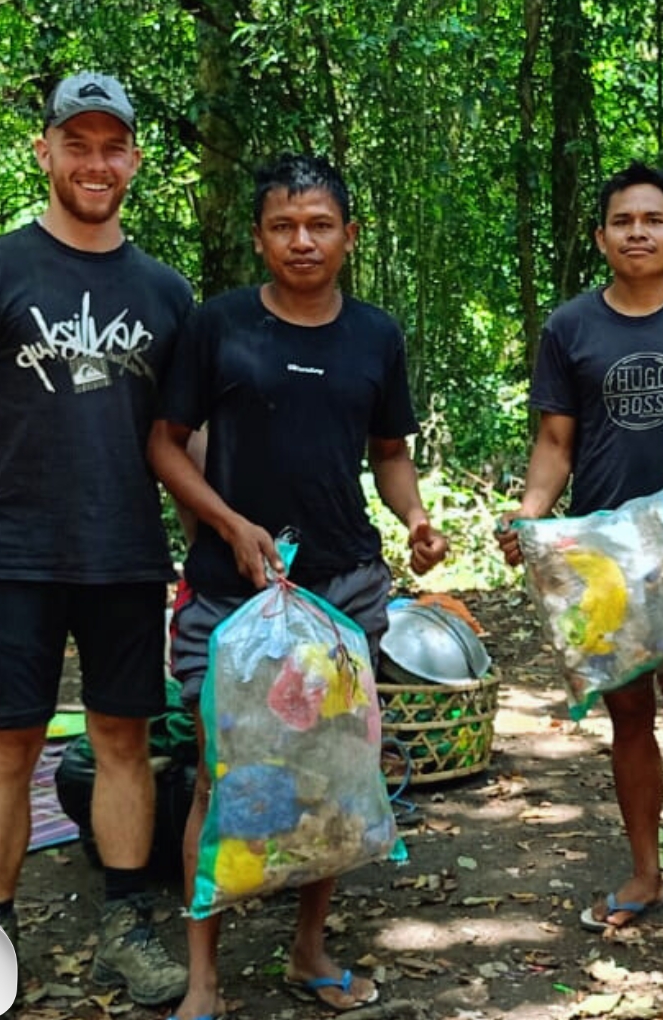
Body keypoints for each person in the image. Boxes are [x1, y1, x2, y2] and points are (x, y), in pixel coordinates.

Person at [0, 71, 192, 1007]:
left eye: (113, 147)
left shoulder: (165, 291)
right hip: (15, 555)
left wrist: (214, 544)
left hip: (127, 556)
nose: (96, 164)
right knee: (8, 744)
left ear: (135, 160)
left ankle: (125, 924)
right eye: (79, 145)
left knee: (123, 738)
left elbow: (184, 444)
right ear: (47, 151)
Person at [149, 153, 449, 1019]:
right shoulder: (219, 325)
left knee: (330, 775)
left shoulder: (375, 336)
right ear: (259, 238)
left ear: (349, 237)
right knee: (221, 773)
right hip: (226, 593)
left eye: (319, 225)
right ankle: (203, 982)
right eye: (283, 226)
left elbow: (389, 455)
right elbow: (167, 442)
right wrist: (227, 523)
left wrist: (416, 520)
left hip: (342, 591)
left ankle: (308, 951)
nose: (302, 241)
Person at [495, 161, 663, 964]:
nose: (638, 232)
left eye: (654, 220)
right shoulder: (571, 328)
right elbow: (554, 443)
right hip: (605, 561)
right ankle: (644, 874)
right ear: (601, 237)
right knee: (627, 721)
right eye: (623, 221)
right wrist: (530, 518)